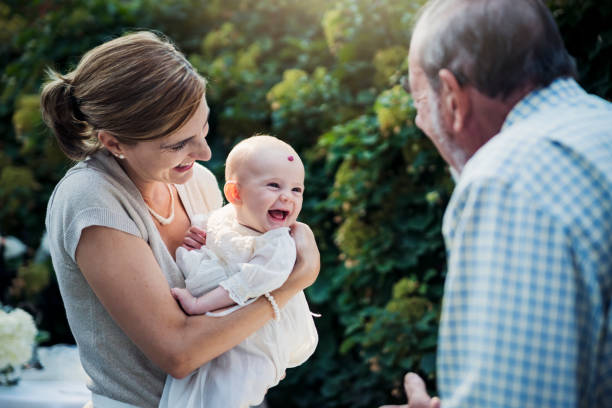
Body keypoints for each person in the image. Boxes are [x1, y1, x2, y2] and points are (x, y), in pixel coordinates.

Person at [41, 31, 319, 408]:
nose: (204, 152)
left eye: (203, 128)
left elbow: (232, 314)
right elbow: (180, 355)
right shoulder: (93, 201)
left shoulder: (196, 182)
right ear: (114, 143)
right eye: (177, 144)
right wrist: (291, 283)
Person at [381, 0, 612, 407]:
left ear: (452, 96)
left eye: (421, 104)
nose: (421, 125)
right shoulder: (600, 126)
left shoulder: (506, 182)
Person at [160, 135, 318, 408]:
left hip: (260, 338)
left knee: (227, 395)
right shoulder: (224, 217)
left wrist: (199, 304)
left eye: (296, 190)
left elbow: (248, 283)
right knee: (188, 392)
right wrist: (197, 239)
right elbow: (212, 234)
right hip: (228, 334)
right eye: (274, 185)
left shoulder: (279, 243)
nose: (287, 197)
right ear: (235, 194)